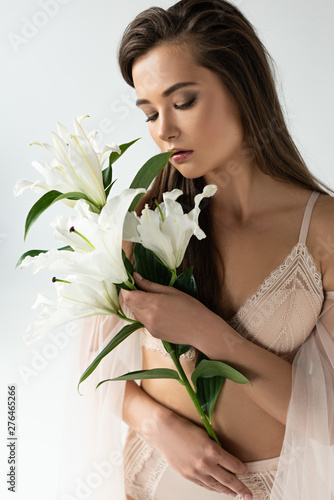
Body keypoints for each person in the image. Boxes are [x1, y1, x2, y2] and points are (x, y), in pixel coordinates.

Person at [57, 1, 334, 499]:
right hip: (155, 481)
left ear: (242, 88)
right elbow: (93, 369)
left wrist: (211, 336)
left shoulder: (324, 231)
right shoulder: (139, 224)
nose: (162, 129)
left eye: (182, 101)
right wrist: (159, 426)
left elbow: (329, 416)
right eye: (149, 113)